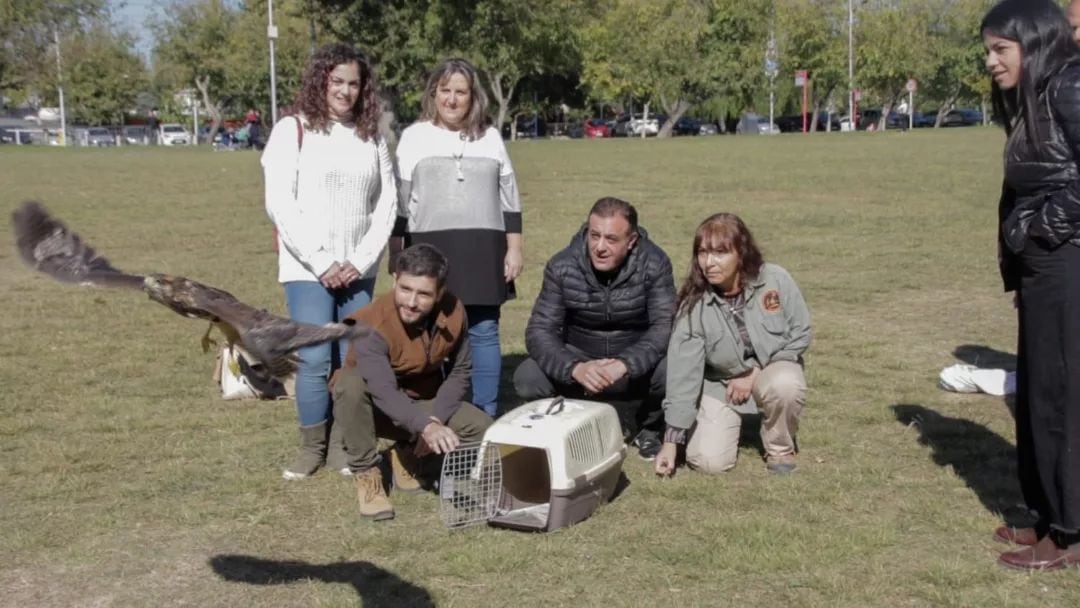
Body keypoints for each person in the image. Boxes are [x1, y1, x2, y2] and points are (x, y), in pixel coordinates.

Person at [261, 43, 397, 481]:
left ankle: (343, 443)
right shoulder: (292, 129)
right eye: (337, 80)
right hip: (307, 269)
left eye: (354, 83)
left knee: (351, 359)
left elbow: (387, 203)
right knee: (316, 358)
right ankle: (311, 446)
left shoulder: (371, 133)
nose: (345, 90)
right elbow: (280, 203)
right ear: (321, 80)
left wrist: (359, 259)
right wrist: (321, 262)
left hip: (358, 269)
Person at [981, 0, 1080, 571]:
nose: (991, 61)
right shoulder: (1037, 95)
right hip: (1044, 269)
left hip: (1067, 263)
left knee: (1061, 398)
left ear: (1035, 43)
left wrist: (1045, 231)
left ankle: (1070, 534)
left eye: (1001, 49)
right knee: (1039, 392)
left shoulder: (1069, 85)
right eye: (988, 50)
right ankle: (1049, 517)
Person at [393, 57, 524, 418]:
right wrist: (396, 259)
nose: (452, 99)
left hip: (484, 248)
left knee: (483, 332)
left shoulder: (491, 137)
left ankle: (485, 415)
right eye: (445, 90)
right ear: (434, 93)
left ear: (472, 97)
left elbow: (510, 196)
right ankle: (446, 411)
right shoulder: (414, 137)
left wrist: (514, 248)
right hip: (430, 249)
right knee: (438, 333)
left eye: (460, 92)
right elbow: (400, 206)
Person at [332, 244, 493, 520]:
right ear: (394, 279)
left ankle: (406, 457)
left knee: (482, 429)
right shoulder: (370, 324)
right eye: (405, 289)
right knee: (350, 382)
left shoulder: (455, 312)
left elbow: (460, 371)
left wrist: (436, 418)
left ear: (439, 292)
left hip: (422, 401)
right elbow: (383, 390)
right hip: (374, 407)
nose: (411, 302)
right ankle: (367, 476)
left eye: (423, 294)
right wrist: (425, 427)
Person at [513, 197, 675, 459]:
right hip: (580, 358)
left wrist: (625, 363)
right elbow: (539, 331)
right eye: (594, 235)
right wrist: (575, 367)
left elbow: (664, 326)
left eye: (611, 239)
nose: (600, 247)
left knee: (674, 368)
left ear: (631, 241)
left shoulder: (655, 264)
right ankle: (563, 427)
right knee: (527, 378)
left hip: (633, 364)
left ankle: (650, 427)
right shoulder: (562, 265)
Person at [654, 213, 811, 477]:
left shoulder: (775, 279)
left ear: (741, 253)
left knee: (786, 383)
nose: (709, 263)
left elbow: (800, 333)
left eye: (720, 253)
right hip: (720, 385)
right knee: (708, 462)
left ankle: (779, 447)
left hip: (771, 368)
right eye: (703, 253)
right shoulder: (693, 306)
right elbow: (683, 375)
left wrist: (753, 375)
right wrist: (670, 443)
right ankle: (729, 422)